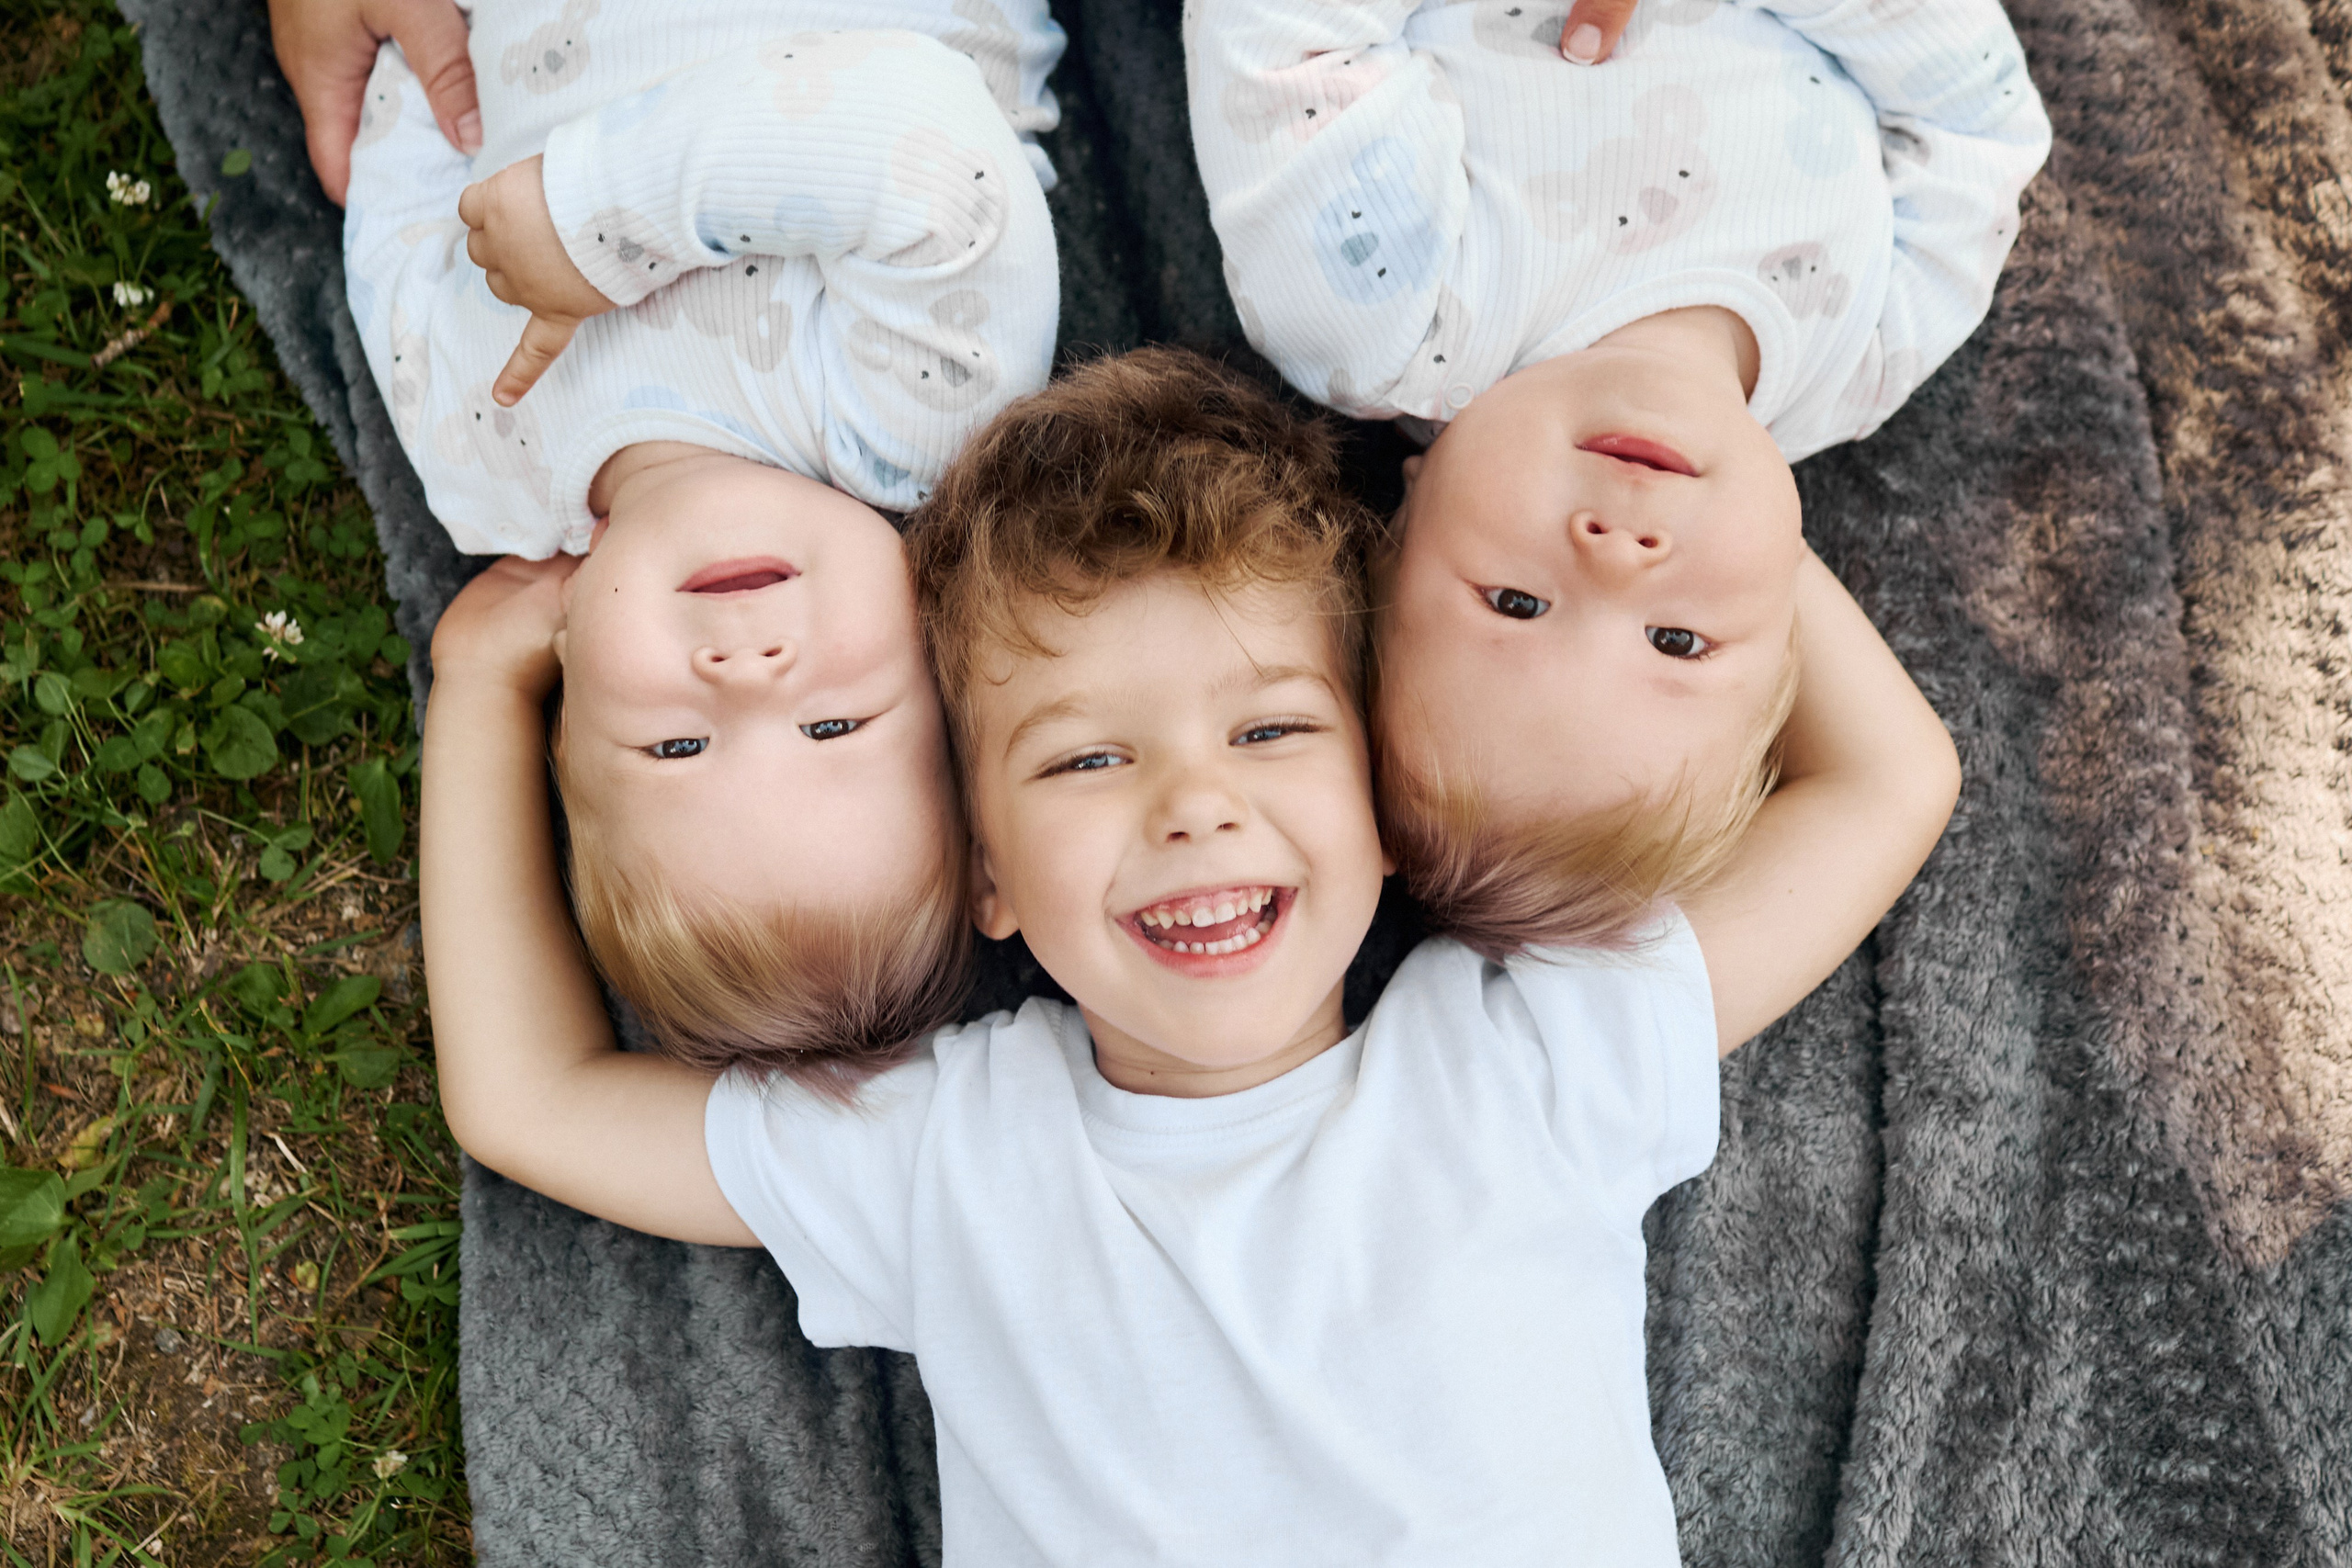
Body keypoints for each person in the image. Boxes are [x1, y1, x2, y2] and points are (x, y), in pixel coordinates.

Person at [420, 347, 1961, 1563]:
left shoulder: (1531, 1056)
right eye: (1084, 761)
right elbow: (532, 1100)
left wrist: (1710, 506)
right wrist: (481, 696)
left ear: (1384, 800)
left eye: (1275, 729)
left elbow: (1891, 787)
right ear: (989, 874)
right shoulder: (947, 1155)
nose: (1194, 805)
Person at [1186, 0, 2049, 951]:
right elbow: (1978, 120)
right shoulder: (1878, 343)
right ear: (1788, 639)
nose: (1616, 557)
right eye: (1676, 641)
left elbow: (1279, 31)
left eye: (1515, 604)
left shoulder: (1391, 320)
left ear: (1399, 522)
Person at [341, 0, 1064, 1070]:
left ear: (570, 685)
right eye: (834, 727)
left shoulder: (478, 456)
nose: (748, 673)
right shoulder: (920, 413)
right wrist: (594, 219)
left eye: (678, 747)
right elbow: (920, 130)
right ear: (938, 640)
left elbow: (413, 180)